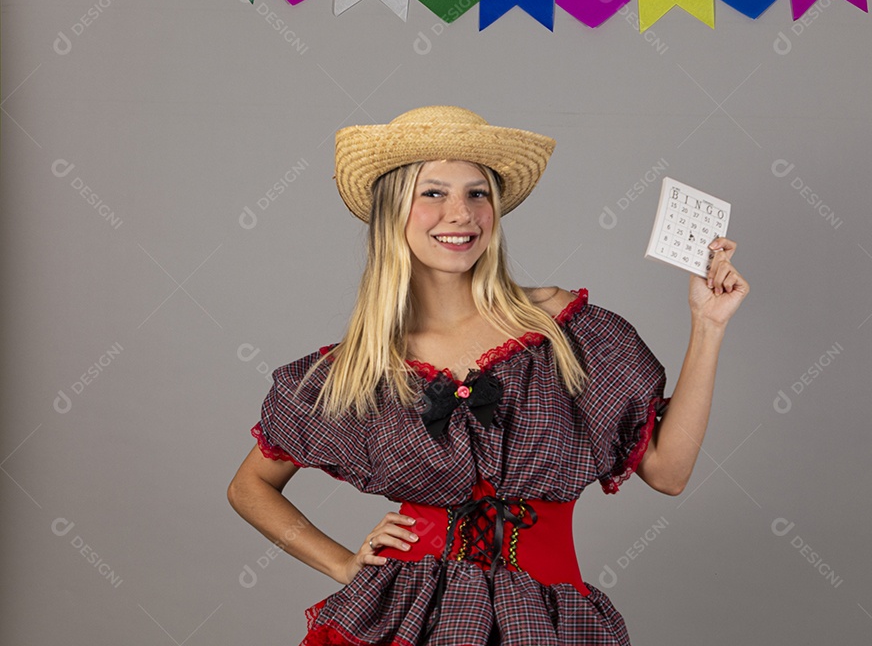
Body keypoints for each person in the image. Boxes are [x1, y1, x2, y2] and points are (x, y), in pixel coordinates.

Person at [227, 105, 749, 646]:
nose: (461, 213)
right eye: (433, 193)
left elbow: (669, 472)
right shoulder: (361, 368)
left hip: (544, 621)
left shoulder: (564, 330)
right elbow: (249, 487)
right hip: (406, 623)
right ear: (392, 211)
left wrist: (707, 327)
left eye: (478, 193)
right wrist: (341, 565)